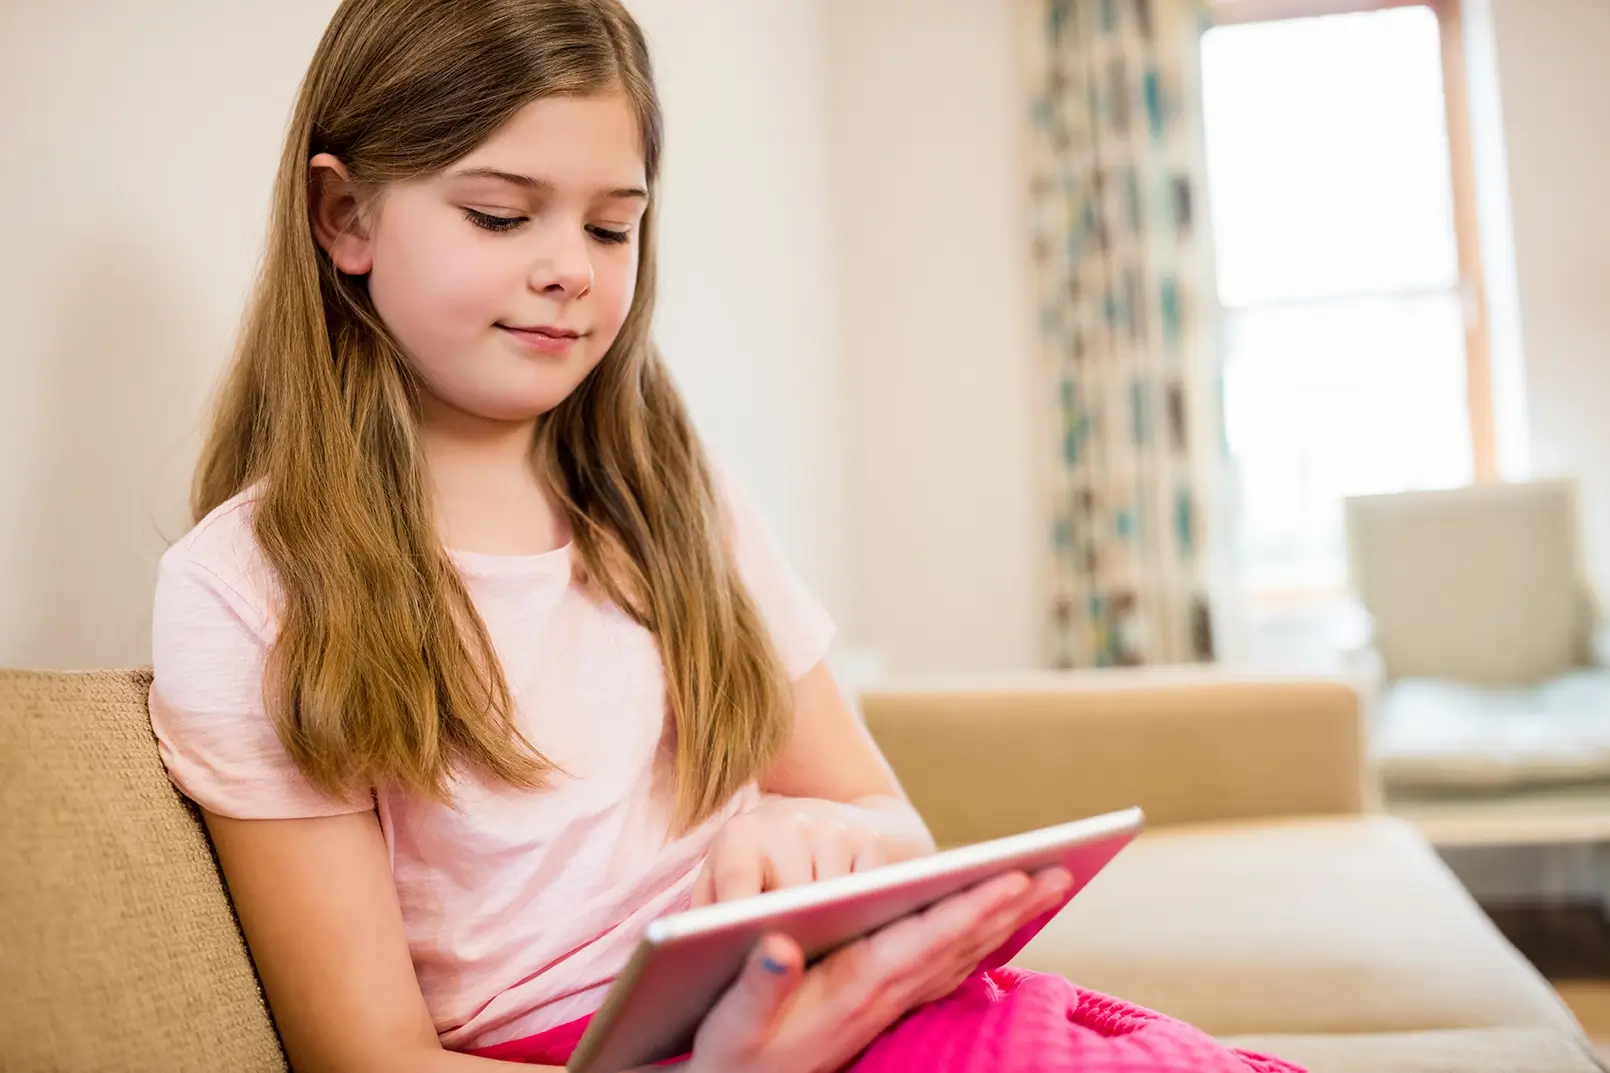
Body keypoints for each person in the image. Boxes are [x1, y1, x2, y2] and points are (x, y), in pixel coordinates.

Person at [148, 2, 1302, 1071]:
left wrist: (814, 838)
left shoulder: (668, 494)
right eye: (500, 215)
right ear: (342, 216)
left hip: (871, 1009)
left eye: (612, 227)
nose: (567, 270)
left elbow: (887, 820)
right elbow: (369, 1057)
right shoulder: (249, 589)